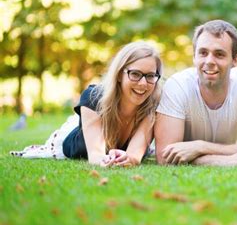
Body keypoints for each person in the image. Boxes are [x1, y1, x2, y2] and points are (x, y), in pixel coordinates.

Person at [10, 41, 162, 167]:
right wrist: (104, 160)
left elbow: (134, 155)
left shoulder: (153, 106)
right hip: (78, 143)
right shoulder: (94, 98)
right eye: (135, 74)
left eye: (150, 76)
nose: (143, 84)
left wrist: (128, 158)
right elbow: (95, 154)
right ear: (119, 75)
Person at [154, 20, 237, 166]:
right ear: (194, 57)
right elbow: (164, 157)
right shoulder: (177, 85)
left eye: (219, 54)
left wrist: (199, 146)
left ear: (235, 60)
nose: (209, 61)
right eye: (203, 53)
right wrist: (222, 161)